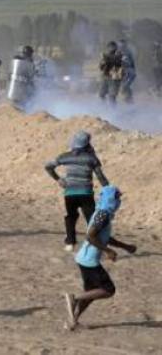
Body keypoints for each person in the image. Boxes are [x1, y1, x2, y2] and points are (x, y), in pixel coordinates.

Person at [64, 186, 137, 331]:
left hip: (84, 259)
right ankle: (75, 298)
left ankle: (73, 322)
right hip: (89, 260)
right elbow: (90, 236)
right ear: (111, 199)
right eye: (117, 198)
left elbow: (104, 237)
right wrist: (108, 251)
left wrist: (125, 246)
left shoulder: (102, 213)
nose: (118, 201)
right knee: (108, 290)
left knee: (91, 293)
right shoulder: (102, 214)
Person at [45, 131, 109, 252]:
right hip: (86, 193)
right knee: (91, 219)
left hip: (70, 193)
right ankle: (96, 245)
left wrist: (58, 179)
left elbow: (48, 166)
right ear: (87, 144)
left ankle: (70, 242)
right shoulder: (91, 158)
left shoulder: (65, 156)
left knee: (71, 217)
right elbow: (100, 176)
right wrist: (108, 188)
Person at [118, 39, 136, 103]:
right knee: (124, 84)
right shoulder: (118, 51)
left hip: (127, 69)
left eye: (122, 44)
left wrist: (133, 69)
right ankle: (128, 98)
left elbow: (132, 61)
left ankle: (129, 98)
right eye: (120, 44)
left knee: (126, 85)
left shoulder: (128, 51)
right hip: (122, 70)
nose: (121, 45)